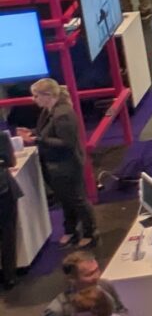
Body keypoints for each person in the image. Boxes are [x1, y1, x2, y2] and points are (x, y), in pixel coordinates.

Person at [21, 79, 96, 250]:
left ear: (47, 96)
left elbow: (66, 143)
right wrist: (33, 133)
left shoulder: (63, 114)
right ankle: (70, 230)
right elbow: (47, 133)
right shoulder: (49, 111)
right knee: (65, 199)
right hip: (56, 166)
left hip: (67, 165)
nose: (34, 99)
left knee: (77, 200)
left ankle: (90, 232)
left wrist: (37, 139)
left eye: (36, 96)